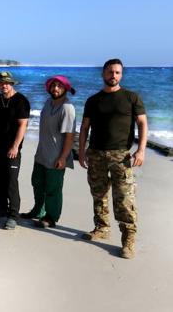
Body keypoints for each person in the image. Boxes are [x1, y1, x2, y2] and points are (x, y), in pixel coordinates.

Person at [78, 59, 147, 259]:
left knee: (124, 198)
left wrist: (141, 150)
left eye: (117, 72)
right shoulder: (93, 100)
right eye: (110, 72)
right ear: (103, 74)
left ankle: (128, 240)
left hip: (121, 156)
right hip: (96, 154)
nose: (113, 75)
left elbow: (142, 124)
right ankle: (101, 228)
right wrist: (82, 151)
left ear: (121, 75)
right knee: (98, 194)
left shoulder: (131, 97)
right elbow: (84, 128)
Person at [20, 75, 76, 228]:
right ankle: (38, 210)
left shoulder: (67, 108)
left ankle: (51, 217)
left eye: (59, 86)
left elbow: (70, 136)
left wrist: (63, 157)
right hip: (42, 153)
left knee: (53, 189)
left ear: (65, 88)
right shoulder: (48, 102)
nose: (56, 88)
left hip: (56, 156)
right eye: (53, 85)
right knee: (37, 183)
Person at [0, 71, 30, 230]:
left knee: (11, 181)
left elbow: (22, 125)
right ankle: (1, 207)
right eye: (0, 83)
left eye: (6, 82)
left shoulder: (21, 101)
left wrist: (15, 146)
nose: (3, 85)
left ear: (12, 84)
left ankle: (13, 215)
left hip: (12, 148)